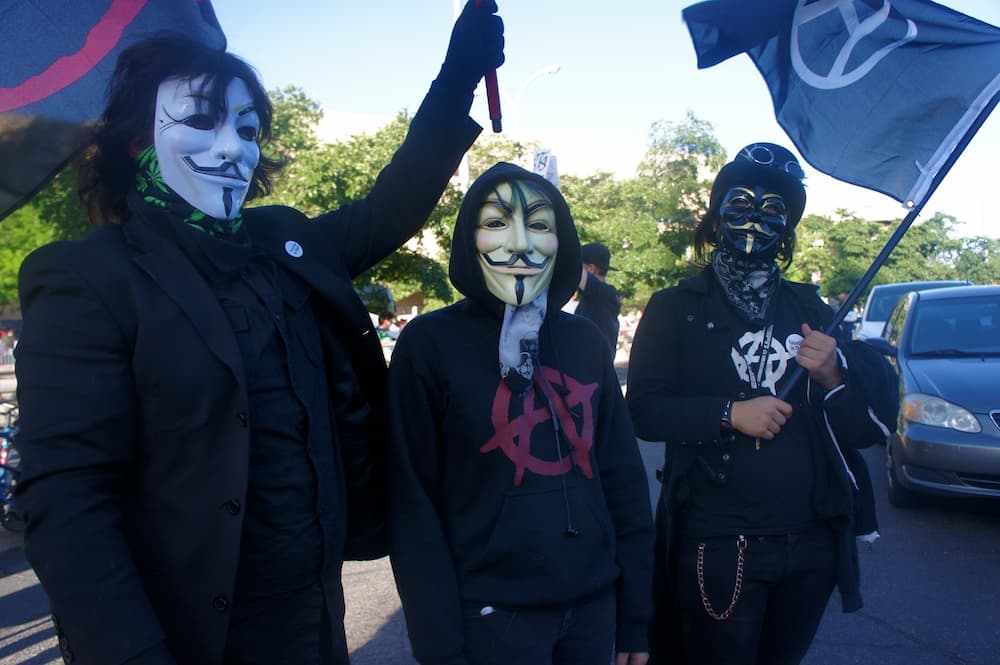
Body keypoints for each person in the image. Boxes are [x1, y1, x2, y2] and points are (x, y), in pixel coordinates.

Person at [13, 4, 503, 664]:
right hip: (188, 642)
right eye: (201, 120)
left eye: (247, 129)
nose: (232, 147)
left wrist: (458, 74)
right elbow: (69, 504)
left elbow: (393, 204)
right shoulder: (87, 279)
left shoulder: (284, 244)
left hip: (314, 628)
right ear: (136, 142)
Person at [625, 143, 898, 665]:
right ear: (716, 214)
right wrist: (729, 413)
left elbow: (857, 429)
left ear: (789, 228)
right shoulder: (674, 307)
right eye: (741, 201)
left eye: (774, 208)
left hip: (811, 540)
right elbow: (644, 410)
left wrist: (834, 372)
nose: (756, 216)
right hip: (720, 541)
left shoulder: (810, 307)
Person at [387, 162, 654, 665]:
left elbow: (623, 484)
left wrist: (635, 618)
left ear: (562, 241)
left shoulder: (585, 342)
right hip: (489, 617)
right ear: (470, 237)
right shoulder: (429, 344)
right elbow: (412, 504)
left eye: (538, 225)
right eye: (496, 223)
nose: (519, 244)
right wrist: (438, 644)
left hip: (594, 609)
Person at [575, 242, 622, 354]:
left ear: (591, 269)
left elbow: (575, 271)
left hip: (594, 365)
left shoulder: (603, 293)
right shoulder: (600, 295)